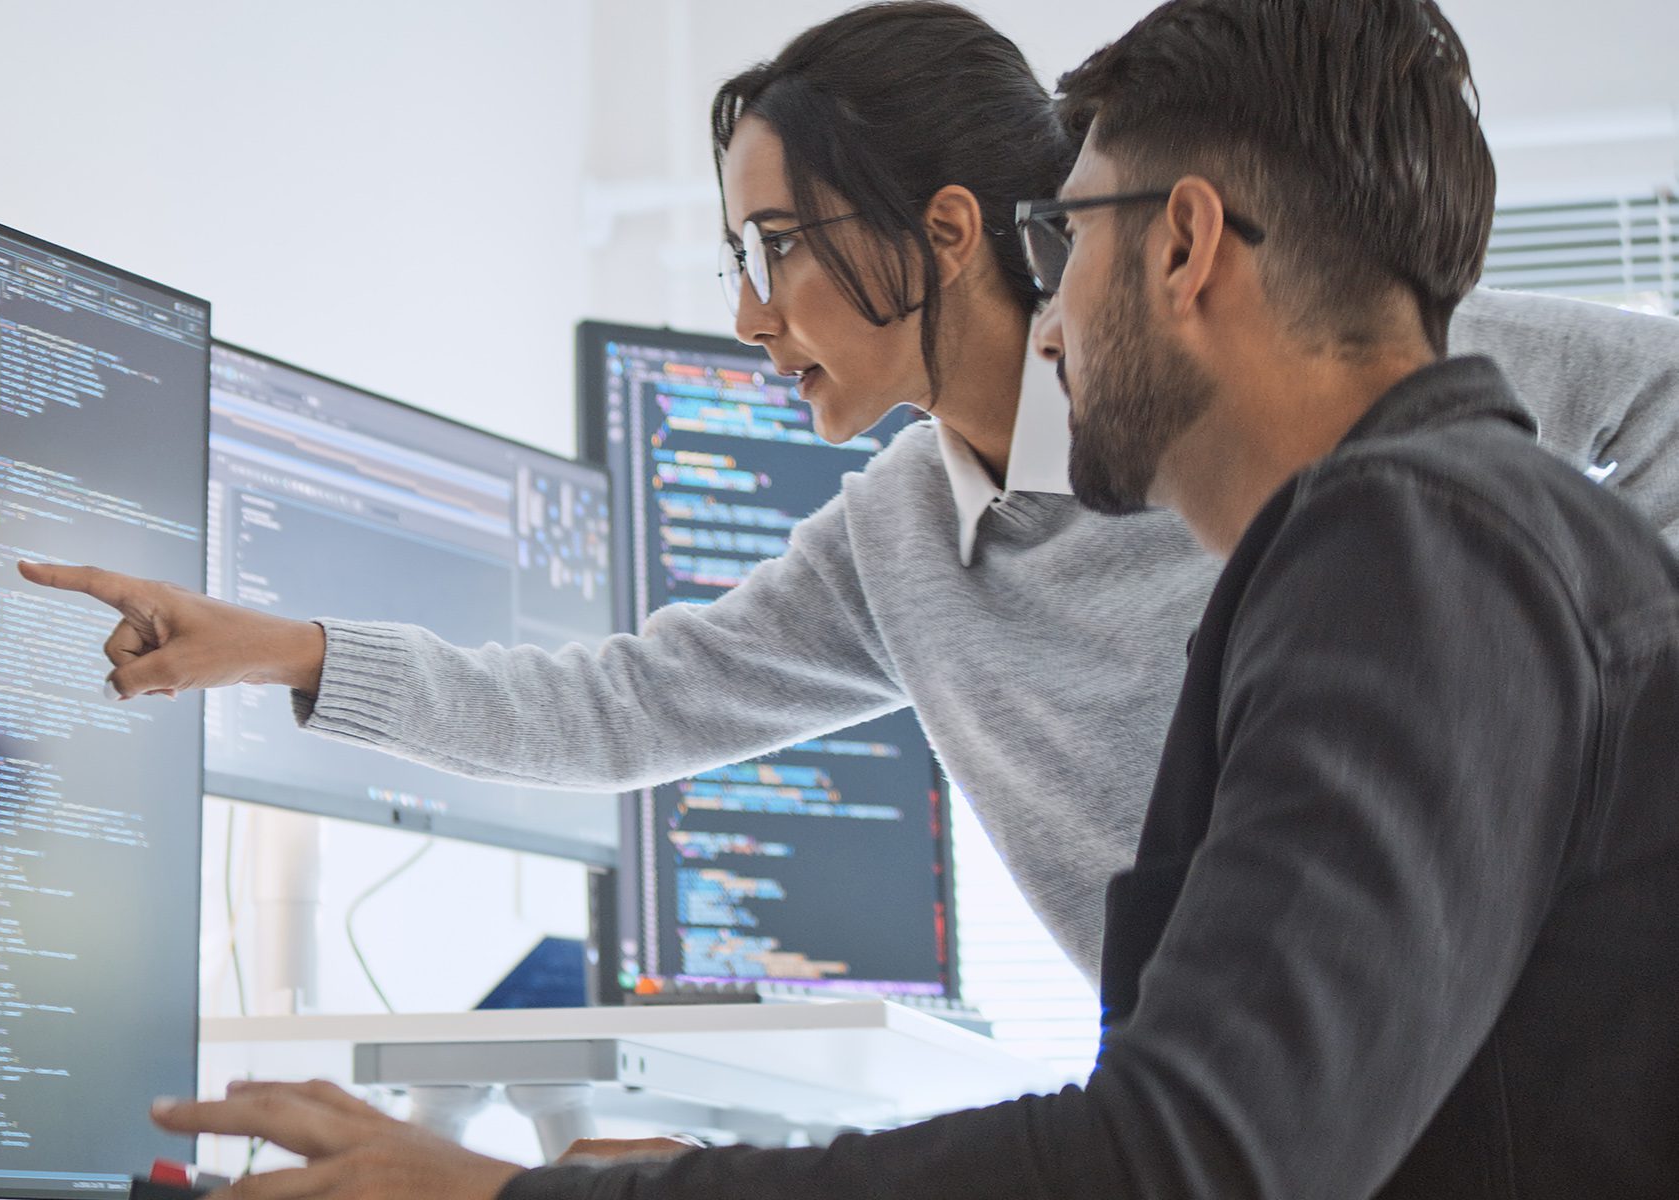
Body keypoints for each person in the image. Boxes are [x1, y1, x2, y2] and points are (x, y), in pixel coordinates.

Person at [146, 0, 1679, 1194]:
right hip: (1275, 1086)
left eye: (777, 248)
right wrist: (300, 655)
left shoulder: (1398, 500)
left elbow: (1183, 1159)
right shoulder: (904, 540)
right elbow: (625, 700)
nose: (748, 316)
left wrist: (1574, 749)